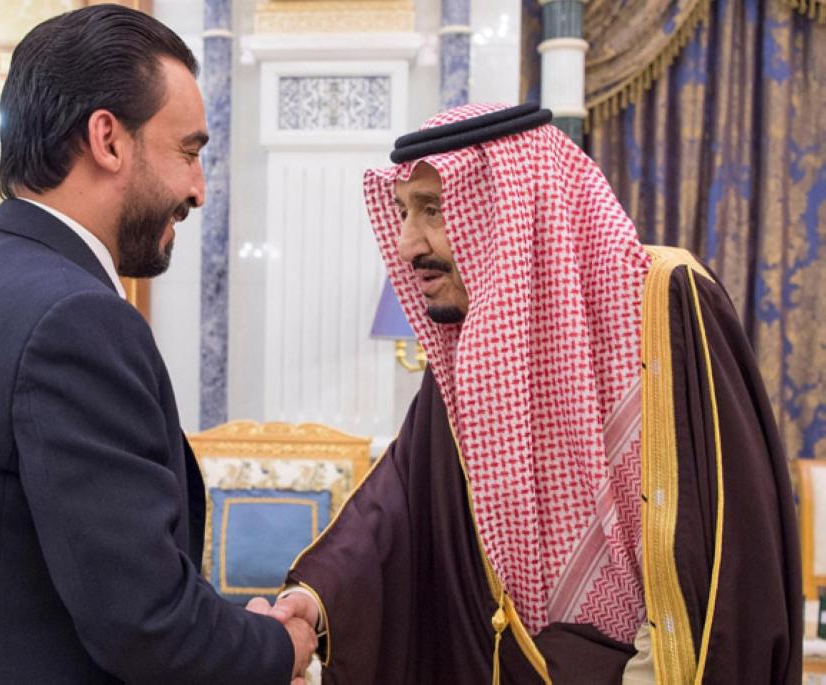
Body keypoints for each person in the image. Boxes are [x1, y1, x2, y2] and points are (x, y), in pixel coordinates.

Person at [267, 103, 802, 684]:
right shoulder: (467, 348)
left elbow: (723, 544)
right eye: (402, 211)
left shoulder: (663, 299)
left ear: (513, 211)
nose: (407, 244)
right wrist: (317, 603)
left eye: (432, 209)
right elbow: (399, 508)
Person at [0, 6, 315, 683]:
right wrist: (284, 646)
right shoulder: (75, 318)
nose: (197, 189)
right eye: (189, 151)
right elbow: (148, 626)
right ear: (108, 140)